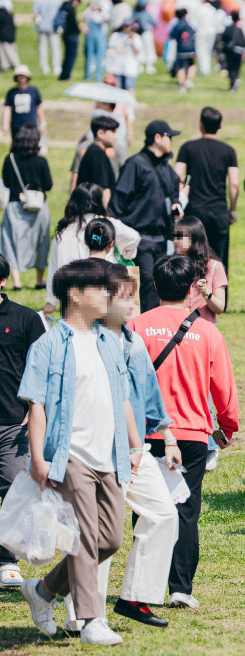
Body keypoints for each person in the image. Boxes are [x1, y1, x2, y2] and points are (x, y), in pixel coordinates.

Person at [19, 257, 139, 646]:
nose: (108, 295)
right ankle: (90, 621)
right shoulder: (49, 344)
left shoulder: (109, 341)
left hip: (111, 454)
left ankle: (44, 590)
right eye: (99, 288)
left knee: (110, 540)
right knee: (86, 536)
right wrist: (39, 458)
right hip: (71, 454)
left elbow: (121, 397)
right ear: (75, 294)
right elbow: (36, 403)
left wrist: (135, 446)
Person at [70, 263, 178, 632]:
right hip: (96, 450)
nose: (135, 304)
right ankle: (85, 614)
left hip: (134, 449)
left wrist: (168, 436)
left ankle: (134, 596)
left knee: (164, 514)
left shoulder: (132, 341)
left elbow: (148, 392)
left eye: (135, 295)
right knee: (98, 534)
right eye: (126, 297)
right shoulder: (85, 340)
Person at [130, 255, 238, 611]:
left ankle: (147, 584)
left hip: (145, 434)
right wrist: (227, 426)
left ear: (155, 286)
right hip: (191, 432)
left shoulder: (135, 327)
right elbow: (223, 387)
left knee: (145, 510)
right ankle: (180, 587)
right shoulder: (207, 331)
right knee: (186, 508)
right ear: (193, 288)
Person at [0, 253, 46, 589]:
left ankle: (6, 560)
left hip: (13, 423)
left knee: (14, 491)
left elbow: (43, 369)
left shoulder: (25, 318)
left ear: (3, 280)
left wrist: (35, 408)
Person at [112, 120, 182, 311]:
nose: (171, 141)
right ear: (157, 138)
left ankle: (154, 324)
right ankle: (143, 327)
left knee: (159, 282)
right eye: (170, 137)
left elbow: (174, 189)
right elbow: (118, 201)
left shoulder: (166, 167)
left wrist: (176, 203)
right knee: (147, 281)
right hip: (139, 237)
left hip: (161, 238)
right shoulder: (135, 164)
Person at [44, 184, 138, 315]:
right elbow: (133, 237)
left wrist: (51, 301)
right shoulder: (106, 223)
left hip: (72, 297)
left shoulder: (63, 231)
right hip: (104, 293)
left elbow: (54, 268)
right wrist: (127, 253)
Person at [175, 107, 239, 268]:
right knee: (219, 260)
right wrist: (232, 210)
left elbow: (176, 175)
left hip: (194, 211)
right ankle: (219, 292)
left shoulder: (188, 148)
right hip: (219, 212)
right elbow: (234, 183)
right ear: (221, 125)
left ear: (201, 124)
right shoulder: (228, 151)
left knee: (192, 258)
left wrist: (182, 189)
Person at [0, 124, 52, 290]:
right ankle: (39, 280)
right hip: (38, 208)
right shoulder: (41, 161)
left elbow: (7, 182)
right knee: (40, 242)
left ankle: (16, 282)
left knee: (10, 243)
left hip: (15, 207)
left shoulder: (10, 159)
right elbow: (48, 185)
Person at [172, 216, 227, 324]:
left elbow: (219, 308)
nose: (175, 240)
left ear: (194, 237)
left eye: (180, 236)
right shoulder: (170, 265)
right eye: (174, 236)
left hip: (202, 330)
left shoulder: (214, 267)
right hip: (175, 328)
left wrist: (206, 292)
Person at [75, 115, 118, 205]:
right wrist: (105, 216)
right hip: (94, 210)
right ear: (100, 133)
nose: (116, 137)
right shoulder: (98, 154)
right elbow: (103, 188)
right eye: (113, 132)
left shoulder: (93, 150)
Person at [3, 65, 46, 143]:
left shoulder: (33, 91)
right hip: (16, 125)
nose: (22, 78)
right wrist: (5, 124)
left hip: (31, 126)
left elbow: (38, 107)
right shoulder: (12, 92)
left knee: (31, 145)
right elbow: (7, 108)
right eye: (20, 76)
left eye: (24, 76)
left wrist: (42, 122)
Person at [33, 0, 63, 76]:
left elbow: (35, 14)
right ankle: (56, 66)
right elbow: (60, 13)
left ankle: (44, 66)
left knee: (43, 47)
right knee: (55, 47)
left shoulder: (38, 0)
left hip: (42, 26)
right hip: (53, 27)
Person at [104, 19, 140, 91]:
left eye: (128, 26)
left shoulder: (136, 37)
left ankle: (130, 102)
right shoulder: (116, 35)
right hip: (117, 67)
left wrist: (132, 40)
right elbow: (110, 49)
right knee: (118, 88)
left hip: (130, 67)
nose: (126, 28)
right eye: (125, 26)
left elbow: (137, 51)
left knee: (129, 88)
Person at [167, 8, 196, 94]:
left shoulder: (177, 25)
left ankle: (181, 85)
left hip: (181, 49)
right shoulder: (189, 24)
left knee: (180, 68)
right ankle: (189, 80)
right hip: (190, 48)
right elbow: (194, 35)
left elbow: (171, 35)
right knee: (191, 65)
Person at [81, 0, 109, 82]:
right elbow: (84, 16)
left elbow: (107, 18)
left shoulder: (101, 12)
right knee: (89, 54)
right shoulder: (88, 11)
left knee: (100, 55)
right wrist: (90, 8)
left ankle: (98, 75)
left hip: (99, 33)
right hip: (90, 34)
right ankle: (87, 75)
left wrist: (100, 10)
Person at [220, 10, 245, 92]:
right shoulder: (239, 29)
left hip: (229, 51)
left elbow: (223, 38)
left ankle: (233, 82)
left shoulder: (228, 29)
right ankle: (235, 80)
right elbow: (243, 42)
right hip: (238, 51)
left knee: (230, 68)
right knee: (236, 68)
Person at [58, 0, 82, 81]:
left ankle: (63, 75)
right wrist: (79, 29)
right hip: (71, 35)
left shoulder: (64, 8)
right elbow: (73, 24)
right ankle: (66, 75)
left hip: (65, 35)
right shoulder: (71, 10)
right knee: (71, 56)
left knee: (67, 55)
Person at [131, 0, 156, 75]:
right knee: (143, 50)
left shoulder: (139, 12)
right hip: (141, 33)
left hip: (143, 33)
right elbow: (153, 22)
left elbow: (153, 22)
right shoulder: (138, 12)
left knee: (146, 49)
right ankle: (143, 66)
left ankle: (147, 66)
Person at [0, 0, 17, 73]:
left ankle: (11, 65)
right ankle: (9, 65)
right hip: (10, 34)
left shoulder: (2, 15)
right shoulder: (9, 15)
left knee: (7, 51)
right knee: (10, 50)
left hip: (4, 35)